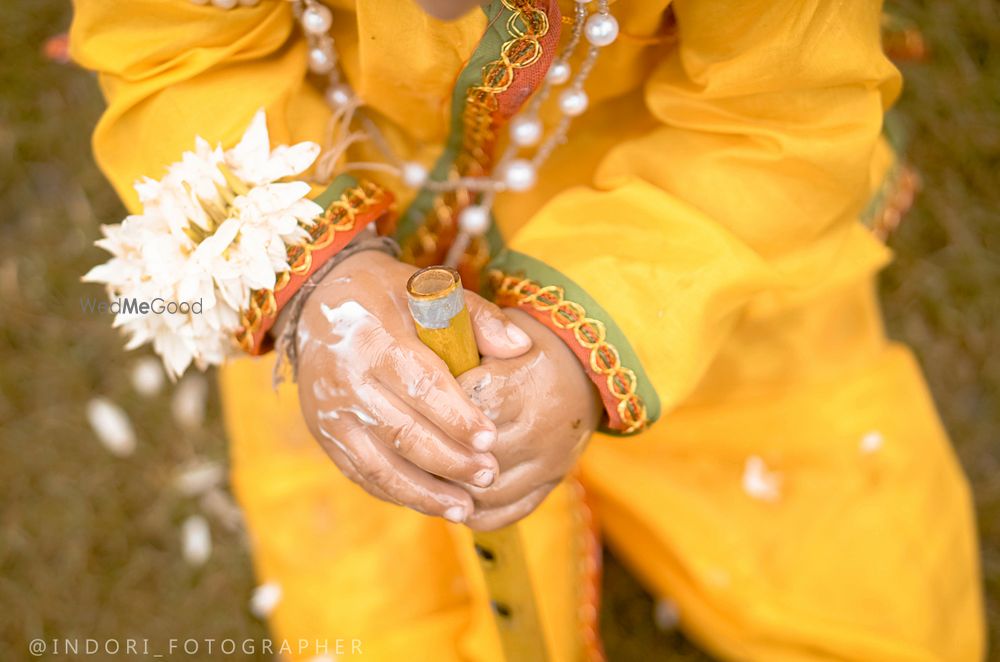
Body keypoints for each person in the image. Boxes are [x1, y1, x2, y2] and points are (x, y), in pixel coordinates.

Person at [71, 0, 985, 659]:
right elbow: (177, 57)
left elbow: (776, 118)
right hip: (333, 186)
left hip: (686, 249)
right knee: (382, 616)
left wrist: (598, 340)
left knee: (882, 616)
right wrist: (315, 279)